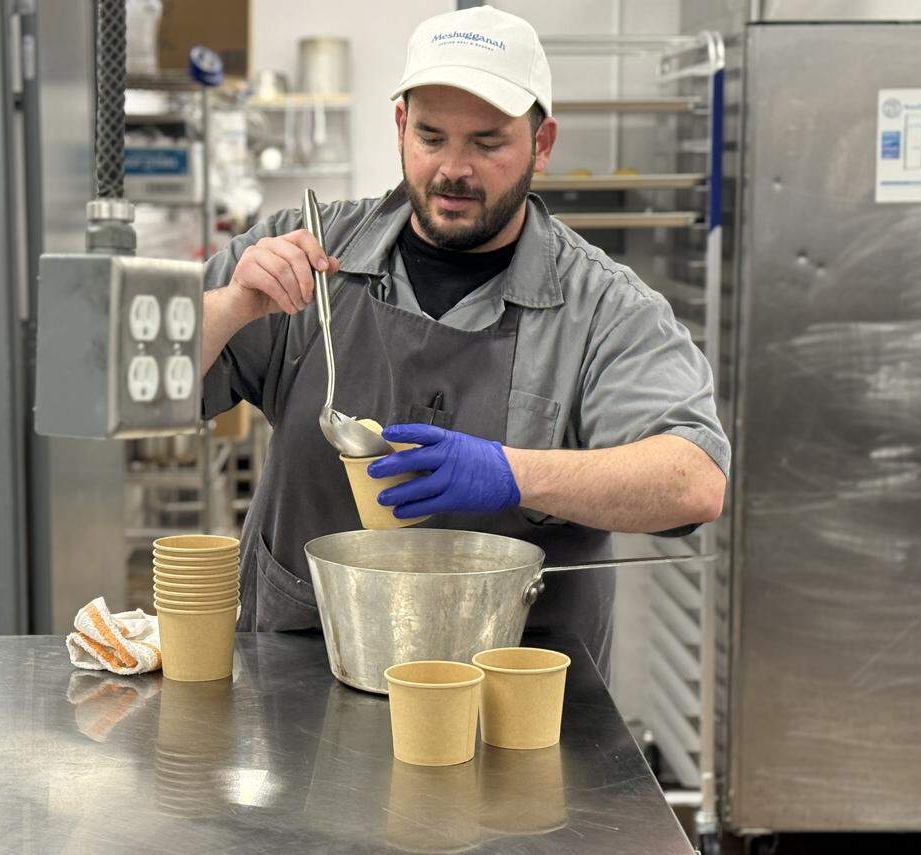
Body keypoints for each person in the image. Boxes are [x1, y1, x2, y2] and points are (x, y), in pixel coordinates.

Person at [198, 6, 729, 677]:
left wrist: (513, 473)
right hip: (299, 678)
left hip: (513, 704)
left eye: (487, 142)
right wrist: (229, 305)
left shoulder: (601, 307)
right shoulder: (305, 255)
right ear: (399, 127)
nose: (453, 169)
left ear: (543, 142)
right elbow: (135, 384)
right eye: (430, 136)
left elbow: (694, 481)